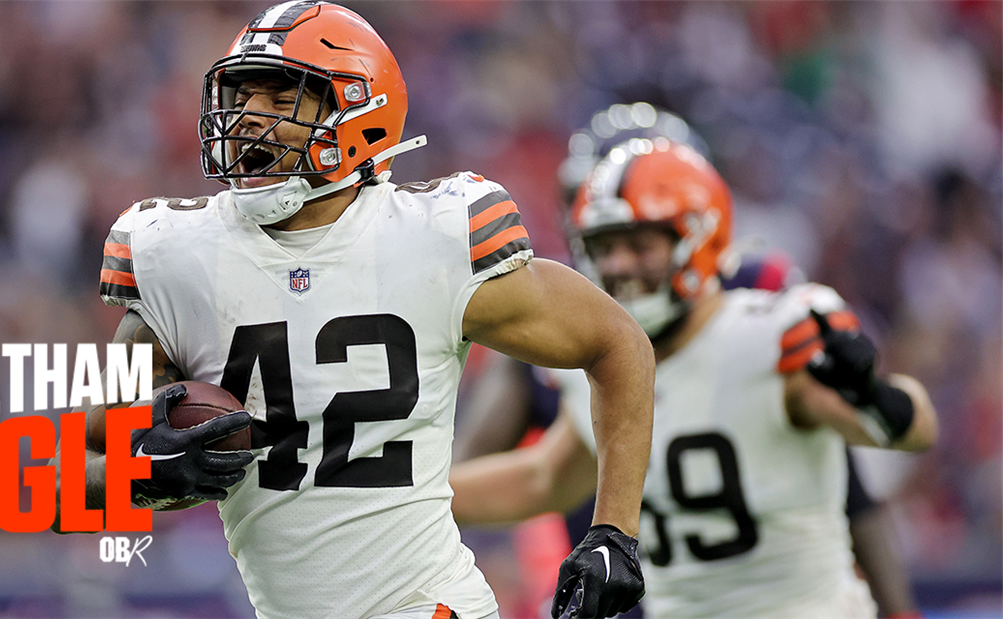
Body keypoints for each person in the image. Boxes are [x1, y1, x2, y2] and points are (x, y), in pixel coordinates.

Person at [50, 3, 656, 619]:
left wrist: (615, 533)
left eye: (281, 95)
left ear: (360, 113)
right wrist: (145, 473)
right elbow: (66, 486)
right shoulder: (172, 257)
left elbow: (617, 343)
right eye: (241, 92)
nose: (248, 115)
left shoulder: (436, 237)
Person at [449, 138, 938, 619]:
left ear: (699, 237)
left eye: (639, 244)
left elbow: (910, 432)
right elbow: (545, 477)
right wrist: (411, 498)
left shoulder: (768, 335)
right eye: (606, 247)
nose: (619, 265)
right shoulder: (602, 364)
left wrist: (872, 395)